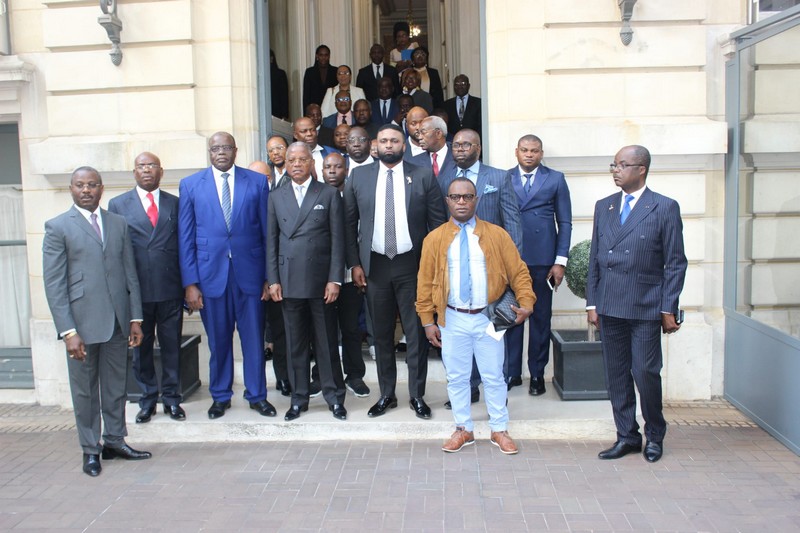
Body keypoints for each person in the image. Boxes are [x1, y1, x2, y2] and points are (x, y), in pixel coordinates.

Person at [43, 166, 150, 477]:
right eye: (80, 185)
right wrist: (68, 331)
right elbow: (54, 284)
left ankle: (115, 441)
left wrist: (135, 317)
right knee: (86, 391)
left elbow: (130, 273)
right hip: (82, 325)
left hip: (118, 321)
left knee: (116, 386)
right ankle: (91, 449)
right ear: (71, 189)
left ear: (102, 188)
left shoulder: (117, 223)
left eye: (92, 185)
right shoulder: (58, 227)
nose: (86, 190)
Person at [417, 177, 534, 454]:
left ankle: (499, 429)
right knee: (457, 377)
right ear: (447, 200)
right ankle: (463, 429)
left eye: (467, 197)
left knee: (494, 376)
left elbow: (518, 272)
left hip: (489, 317)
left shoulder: (496, 235)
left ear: (476, 200)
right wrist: (427, 321)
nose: (461, 202)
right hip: (452, 318)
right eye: (455, 197)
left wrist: (527, 301)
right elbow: (424, 282)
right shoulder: (434, 239)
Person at [587, 145, 687, 464]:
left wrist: (668, 307)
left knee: (645, 372)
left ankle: (654, 435)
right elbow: (594, 260)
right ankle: (627, 435)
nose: (616, 170)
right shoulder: (605, 207)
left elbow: (675, 262)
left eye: (622, 165)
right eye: (613, 165)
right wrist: (592, 302)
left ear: (641, 169)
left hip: (645, 305)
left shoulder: (663, 207)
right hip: (610, 305)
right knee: (616, 375)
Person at [343, 124, 448, 419]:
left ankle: (416, 395)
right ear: (376, 145)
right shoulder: (359, 176)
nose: (389, 145)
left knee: (415, 333)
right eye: (384, 140)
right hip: (375, 265)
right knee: (381, 334)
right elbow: (349, 225)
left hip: (412, 265)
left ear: (405, 144)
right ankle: (387, 394)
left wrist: (432, 269)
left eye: (395, 141)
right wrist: (355, 264)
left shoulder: (423, 174)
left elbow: (437, 226)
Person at [178, 132, 274, 419]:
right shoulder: (191, 185)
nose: (221, 152)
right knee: (219, 341)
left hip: (251, 276)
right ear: (209, 152)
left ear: (235, 150)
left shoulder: (256, 182)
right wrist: (190, 284)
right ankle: (220, 396)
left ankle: (257, 395)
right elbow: (185, 238)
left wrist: (269, 277)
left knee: (254, 339)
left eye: (226, 147)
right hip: (210, 277)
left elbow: (267, 232)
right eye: (215, 148)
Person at [438, 128, 523, 408]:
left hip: (493, 271)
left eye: (466, 145)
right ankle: (470, 388)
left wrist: (512, 270)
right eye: (456, 145)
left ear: (478, 147)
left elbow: (512, 222)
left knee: (494, 330)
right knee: (464, 330)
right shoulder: (445, 179)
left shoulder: (498, 177)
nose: (460, 149)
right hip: (458, 269)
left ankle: (497, 389)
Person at [268, 143, 348, 421]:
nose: (297, 164)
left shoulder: (327, 193)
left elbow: (339, 240)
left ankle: (335, 397)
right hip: (289, 282)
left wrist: (335, 279)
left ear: (312, 164)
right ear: (286, 164)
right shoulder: (276, 197)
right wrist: (273, 280)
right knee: (295, 344)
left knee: (326, 342)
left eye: (303, 159)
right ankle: (298, 398)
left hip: (320, 282)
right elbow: (271, 242)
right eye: (292, 160)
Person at [107, 152, 186, 424]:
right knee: (141, 350)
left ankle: (172, 399)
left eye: (152, 166)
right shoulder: (117, 205)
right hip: (137, 292)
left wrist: (188, 285)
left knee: (172, 346)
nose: (147, 170)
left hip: (170, 288)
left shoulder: (175, 203)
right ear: (134, 172)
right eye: (141, 166)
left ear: (161, 172)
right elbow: (116, 252)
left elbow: (184, 247)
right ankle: (148, 400)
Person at [505, 135, 572, 395]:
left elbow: (564, 222)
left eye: (534, 151)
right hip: (512, 259)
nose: (529, 154)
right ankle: (511, 372)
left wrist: (560, 261)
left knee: (541, 319)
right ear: (516, 152)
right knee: (511, 317)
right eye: (524, 150)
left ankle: (537, 374)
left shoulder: (555, 179)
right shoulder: (504, 178)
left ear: (541, 153)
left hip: (544, 260)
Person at [322, 152, 370, 398]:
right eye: (327, 166)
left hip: (351, 274)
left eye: (337, 166)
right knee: (323, 329)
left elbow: (357, 235)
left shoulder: (354, 196)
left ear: (346, 170)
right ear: (320, 171)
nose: (332, 171)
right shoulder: (315, 195)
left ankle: (355, 375)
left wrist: (356, 266)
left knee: (351, 328)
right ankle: (324, 376)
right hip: (321, 277)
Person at [293, 116, 336, 180]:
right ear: (295, 135)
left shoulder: (331, 153)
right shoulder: (289, 158)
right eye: (304, 131)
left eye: (312, 130)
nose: (309, 134)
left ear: (317, 132)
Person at [443, 74, 482, 139]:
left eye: (463, 84)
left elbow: (481, 125)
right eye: (456, 84)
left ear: (468, 86)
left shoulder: (478, 103)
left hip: (473, 140)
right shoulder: (446, 104)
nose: (460, 86)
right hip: (453, 141)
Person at [302, 44, 338, 110]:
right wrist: (306, 113)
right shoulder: (309, 72)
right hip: (314, 110)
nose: (323, 57)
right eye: (321, 55)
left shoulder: (335, 71)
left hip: (331, 108)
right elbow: (306, 95)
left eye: (326, 55)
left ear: (329, 56)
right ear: (317, 56)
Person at [269, 49, 290, 120]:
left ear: (271, 58)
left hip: (277, 113)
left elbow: (284, 95)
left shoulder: (280, 74)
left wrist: (284, 114)